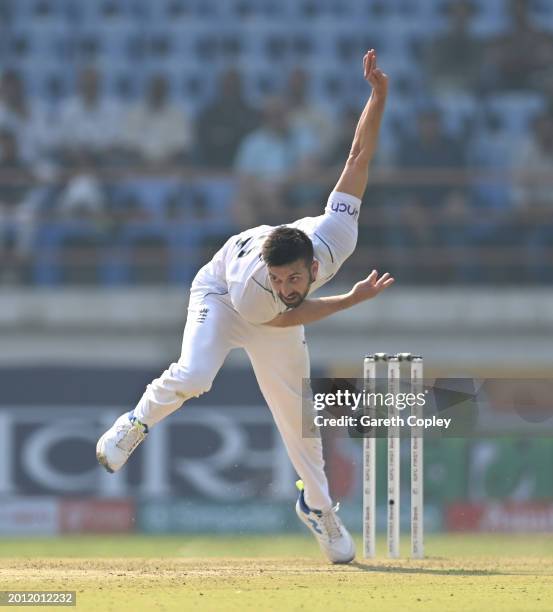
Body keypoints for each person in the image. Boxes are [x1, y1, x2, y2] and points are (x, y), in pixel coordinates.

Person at [96, 50, 392, 564]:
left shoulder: (335, 234)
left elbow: (358, 155)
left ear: (311, 262)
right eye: (280, 278)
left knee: (298, 418)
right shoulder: (264, 287)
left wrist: (378, 95)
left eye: (294, 278)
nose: (287, 284)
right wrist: (349, 299)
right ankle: (136, 422)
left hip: (271, 317)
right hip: (222, 295)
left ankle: (317, 509)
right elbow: (288, 313)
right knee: (195, 375)